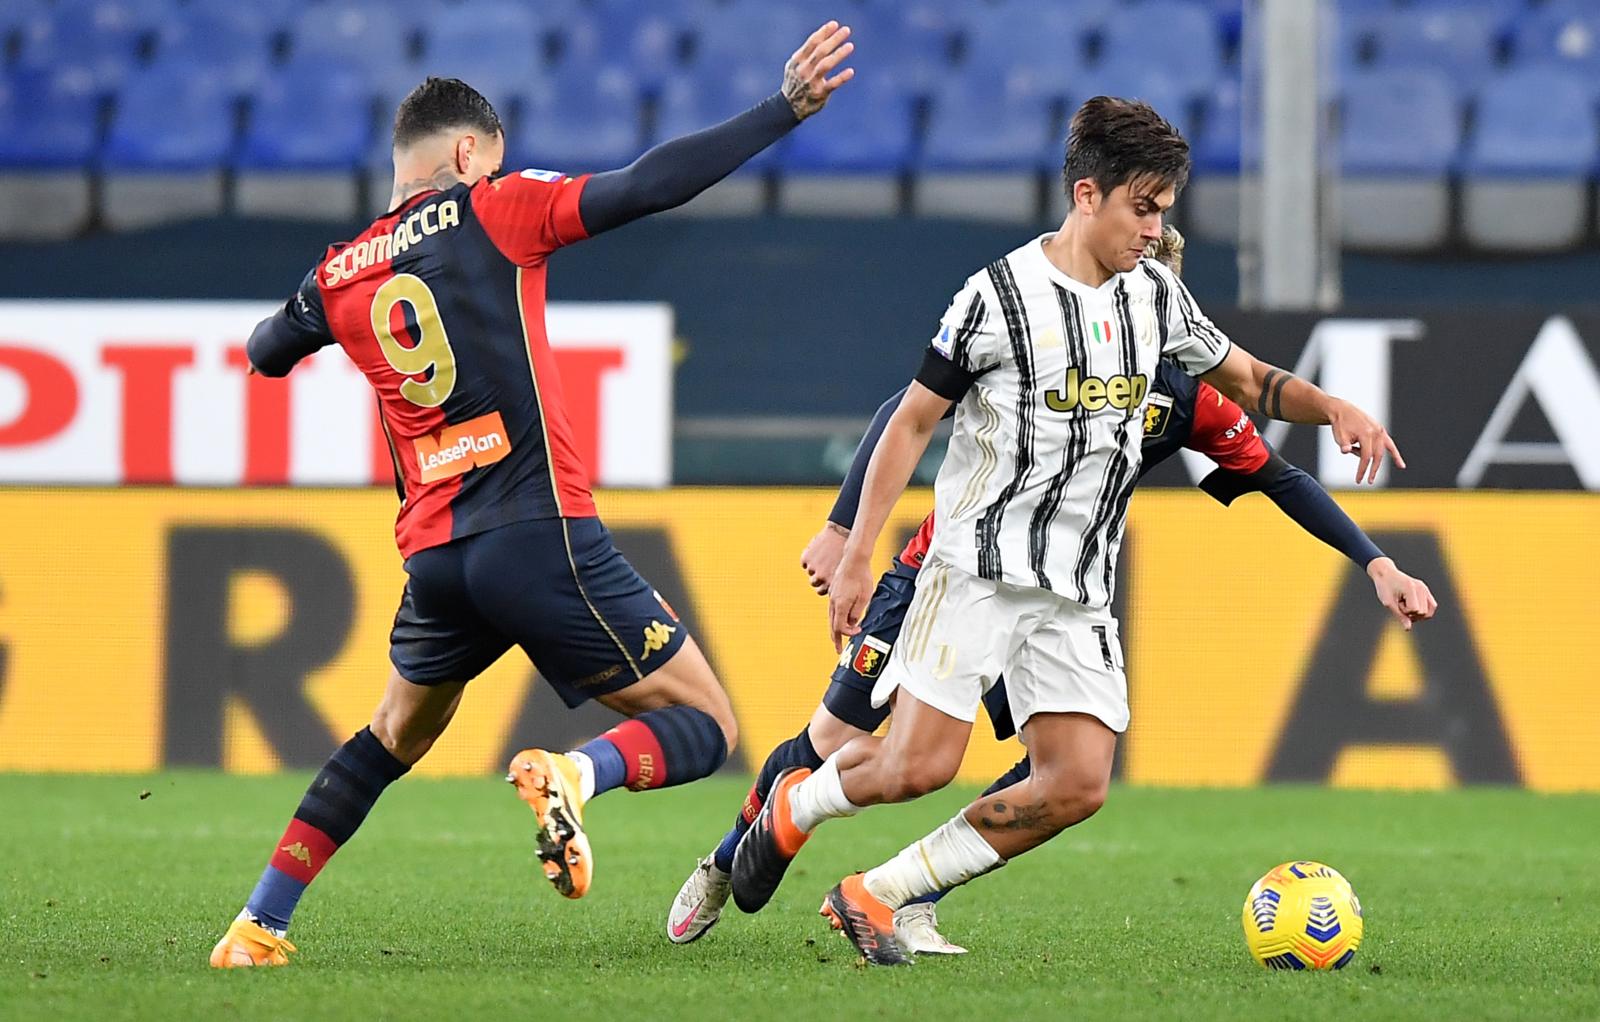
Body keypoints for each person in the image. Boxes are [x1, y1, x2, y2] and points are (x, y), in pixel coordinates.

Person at [207, 22, 856, 968]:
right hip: (538, 532)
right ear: (471, 152)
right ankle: (572, 772)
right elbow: (647, 185)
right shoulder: (497, 207)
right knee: (707, 726)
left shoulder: (340, 273)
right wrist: (781, 110)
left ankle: (257, 924)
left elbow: (266, 352)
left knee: (390, 736)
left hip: (436, 556)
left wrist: (313, 304)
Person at [728, 97, 1429, 966]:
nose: (1155, 229)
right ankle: (795, 806)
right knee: (917, 770)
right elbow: (909, 422)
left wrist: (1333, 409)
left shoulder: (1156, 295)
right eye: (1144, 208)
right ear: (1087, 195)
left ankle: (880, 891)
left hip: (1078, 589)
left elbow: (1248, 379)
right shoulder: (996, 297)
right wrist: (856, 551)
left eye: (1164, 210)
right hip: (977, 570)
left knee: (1076, 784)